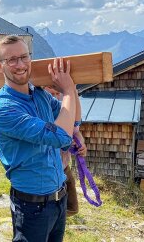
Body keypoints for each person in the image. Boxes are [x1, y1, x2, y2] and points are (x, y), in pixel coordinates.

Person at [0, 35, 85, 242]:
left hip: (58, 198)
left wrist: (72, 88)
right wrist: (67, 90)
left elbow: (73, 118)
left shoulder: (39, 94)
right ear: (0, 67)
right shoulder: (3, 109)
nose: (20, 64)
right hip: (31, 206)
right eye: (11, 60)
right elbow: (60, 136)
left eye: (24, 57)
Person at [45, 86, 87, 217]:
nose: (55, 97)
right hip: (50, 170)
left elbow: (76, 131)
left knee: (72, 208)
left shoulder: (64, 110)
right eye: (51, 94)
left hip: (65, 167)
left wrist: (81, 144)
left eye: (58, 93)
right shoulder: (45, 115)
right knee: (55, 209)